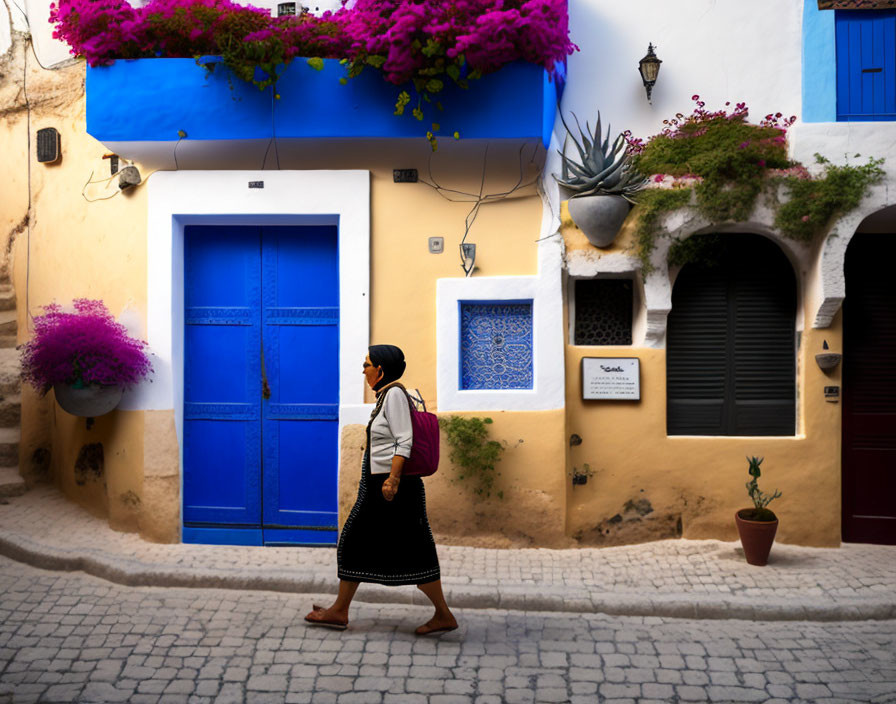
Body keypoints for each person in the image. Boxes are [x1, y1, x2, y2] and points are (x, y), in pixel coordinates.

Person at [305, 344, 458, 635]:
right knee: (378, 544)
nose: (363, 370)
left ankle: (441, 614)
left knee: (365, 541)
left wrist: (393, 480)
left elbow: (404, 439)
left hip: (390, 487)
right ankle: (341, 609)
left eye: (367, 364)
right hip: (383, 484)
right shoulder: (386, 396)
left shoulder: (395, 395)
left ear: (381, 369)